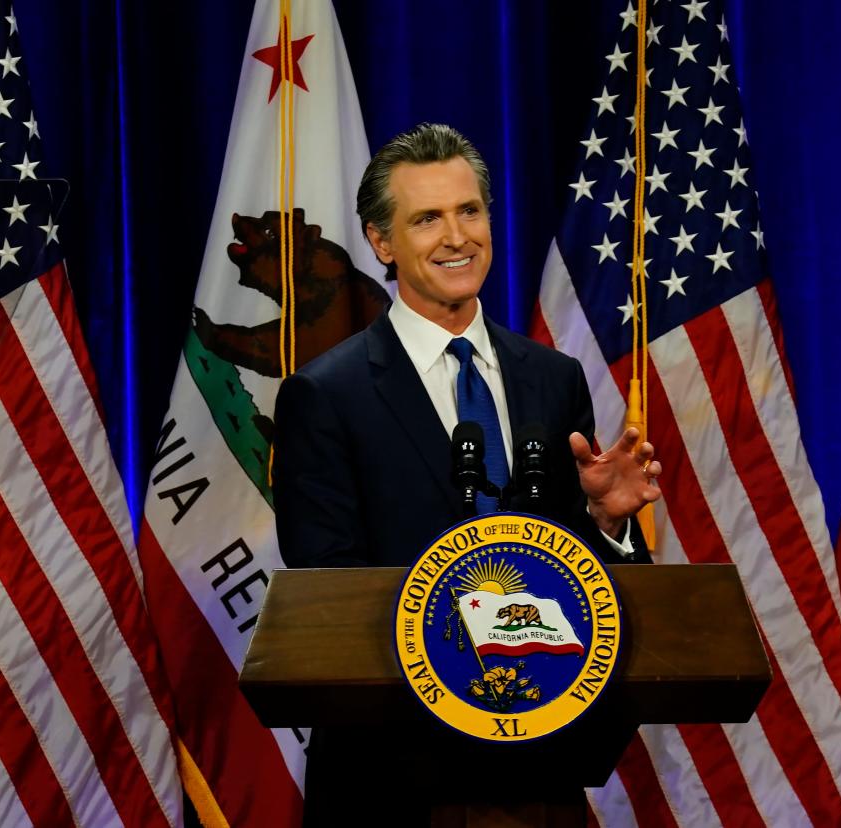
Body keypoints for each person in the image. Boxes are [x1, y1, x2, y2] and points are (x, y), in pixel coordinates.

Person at [271, 123, 663, 825]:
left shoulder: (552, 378)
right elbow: (329, 603)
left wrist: (605, 521)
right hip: (391, 788)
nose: (457, 237)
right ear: (382, 243)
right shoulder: (326, 396)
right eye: (427, 218)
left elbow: (581, 592)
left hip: (537, 774)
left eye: (469, 211)